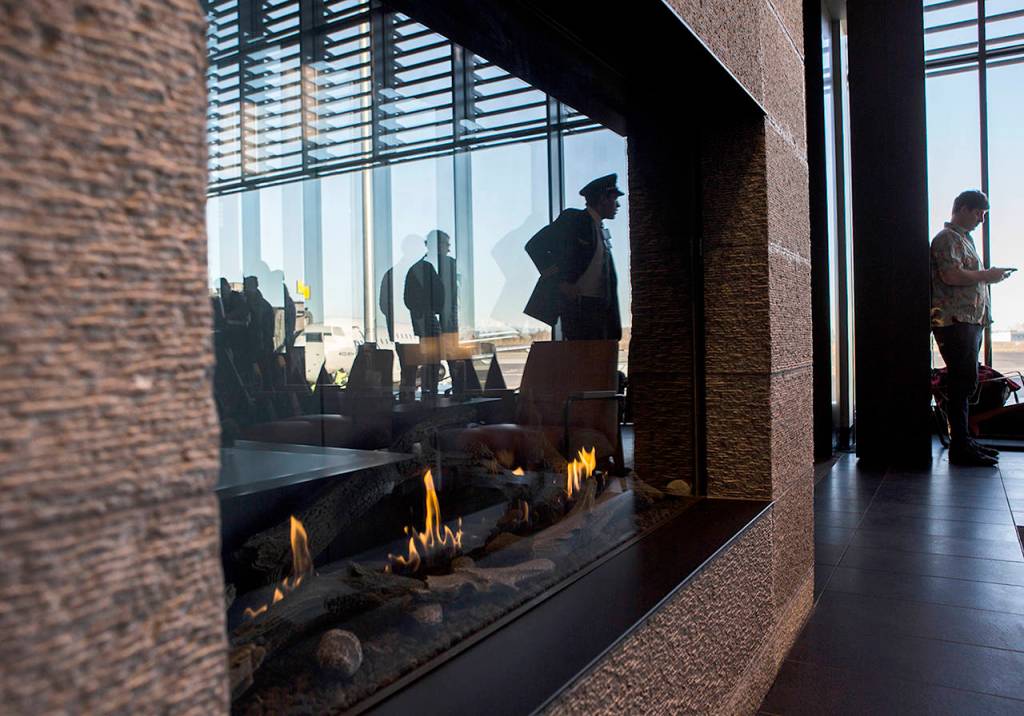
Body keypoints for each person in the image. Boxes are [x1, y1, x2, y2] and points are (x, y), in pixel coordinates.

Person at [930, 189, 1014, 466]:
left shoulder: (963, 240)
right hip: (956, 321)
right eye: (978, 212)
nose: (981, 219)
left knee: (965, 382)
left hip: (969, 321)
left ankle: (964, 441)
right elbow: (951, 275)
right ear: (962, 208)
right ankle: (961, 446)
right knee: (962, 382)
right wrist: (987, 275)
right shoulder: (946, 239)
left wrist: (988, 277)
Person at [524, 173, 622, 340]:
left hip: (599, 310)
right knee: (582, 359)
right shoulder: (574, 220)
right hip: (579, 308)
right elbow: (535, 245)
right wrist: (561, 282)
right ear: (603, 199)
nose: (617, 204)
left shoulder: (599, 228)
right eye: (614, 198)